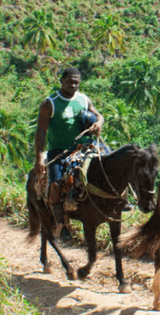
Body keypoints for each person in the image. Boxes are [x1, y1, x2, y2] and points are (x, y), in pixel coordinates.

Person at [34, 67, 105, 233]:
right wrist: (38, 158)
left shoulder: (83, 99)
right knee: (56, 184)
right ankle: (60, 221)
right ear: (62, 81)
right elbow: (41, 132)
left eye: (77, 83)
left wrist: (99, 123)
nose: (73, 85)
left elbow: (99, 115)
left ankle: (116, 202)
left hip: (83, 148)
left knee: (108, 166)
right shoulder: (49, 103)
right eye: (70, 82)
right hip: (59, 151)